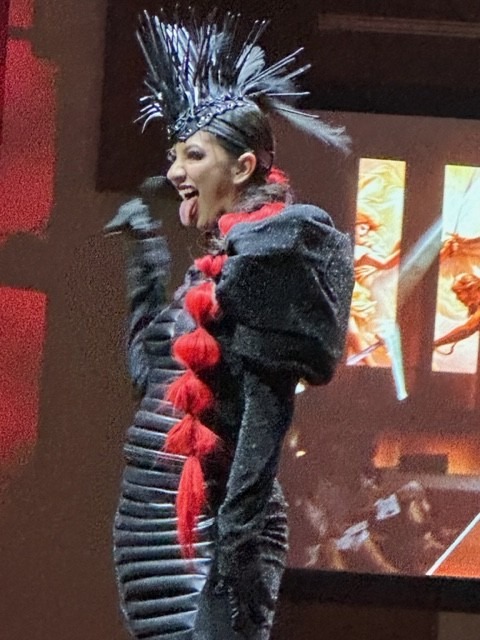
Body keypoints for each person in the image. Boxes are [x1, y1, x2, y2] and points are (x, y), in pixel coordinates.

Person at [106, 11, 354, 640]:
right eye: (174, 156)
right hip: (158, 536)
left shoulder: (270, 257)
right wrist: (145, 261)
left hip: (214, 538)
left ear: (242, 167)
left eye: (193, 155)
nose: (175, 172)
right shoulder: (212, 271)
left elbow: (265, 424)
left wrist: (233, 553)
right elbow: (151, 382)